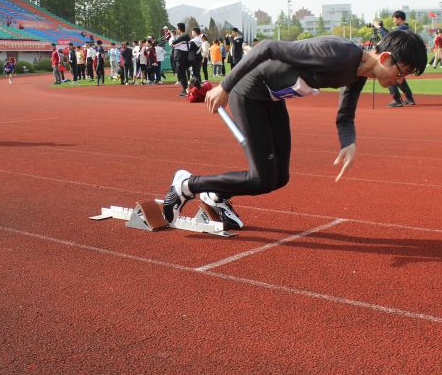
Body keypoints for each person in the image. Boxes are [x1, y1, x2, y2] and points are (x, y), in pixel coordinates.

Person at [161, 31, 427, 230]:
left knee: (280, 178)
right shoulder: (338, 53)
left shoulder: (359, 74)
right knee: (262, 179)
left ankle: (216, 195)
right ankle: (187, 185)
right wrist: (225, 86)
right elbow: (266, 47)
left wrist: (348, 143)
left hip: (272, 99)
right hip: (247, 92)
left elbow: (345, 116)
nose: (400, 81)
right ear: (385, 58)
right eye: (401, 73)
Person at [374, 11, 417, 107]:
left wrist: (379, 28)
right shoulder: (405, 29)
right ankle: (409, 99)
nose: (393, 21)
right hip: (406, 59)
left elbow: (389, 37)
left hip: (401, 59)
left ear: (399, 18)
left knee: (387, 75)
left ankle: (397, 100)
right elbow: (391, 35)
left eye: (394, 19)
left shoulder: (402, 29)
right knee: (398, 77)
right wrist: (382, 28)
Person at [170, 22, 191, 97]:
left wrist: (173, 39)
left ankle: (185, 89)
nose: (176, 30)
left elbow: (172, 44)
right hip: (180, 57)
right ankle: (185, 89)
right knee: (181, 73)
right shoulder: (182, 36)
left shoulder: (184, 36)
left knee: (181, 73)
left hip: (181, 57)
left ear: (179, 29)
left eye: (177, 28)